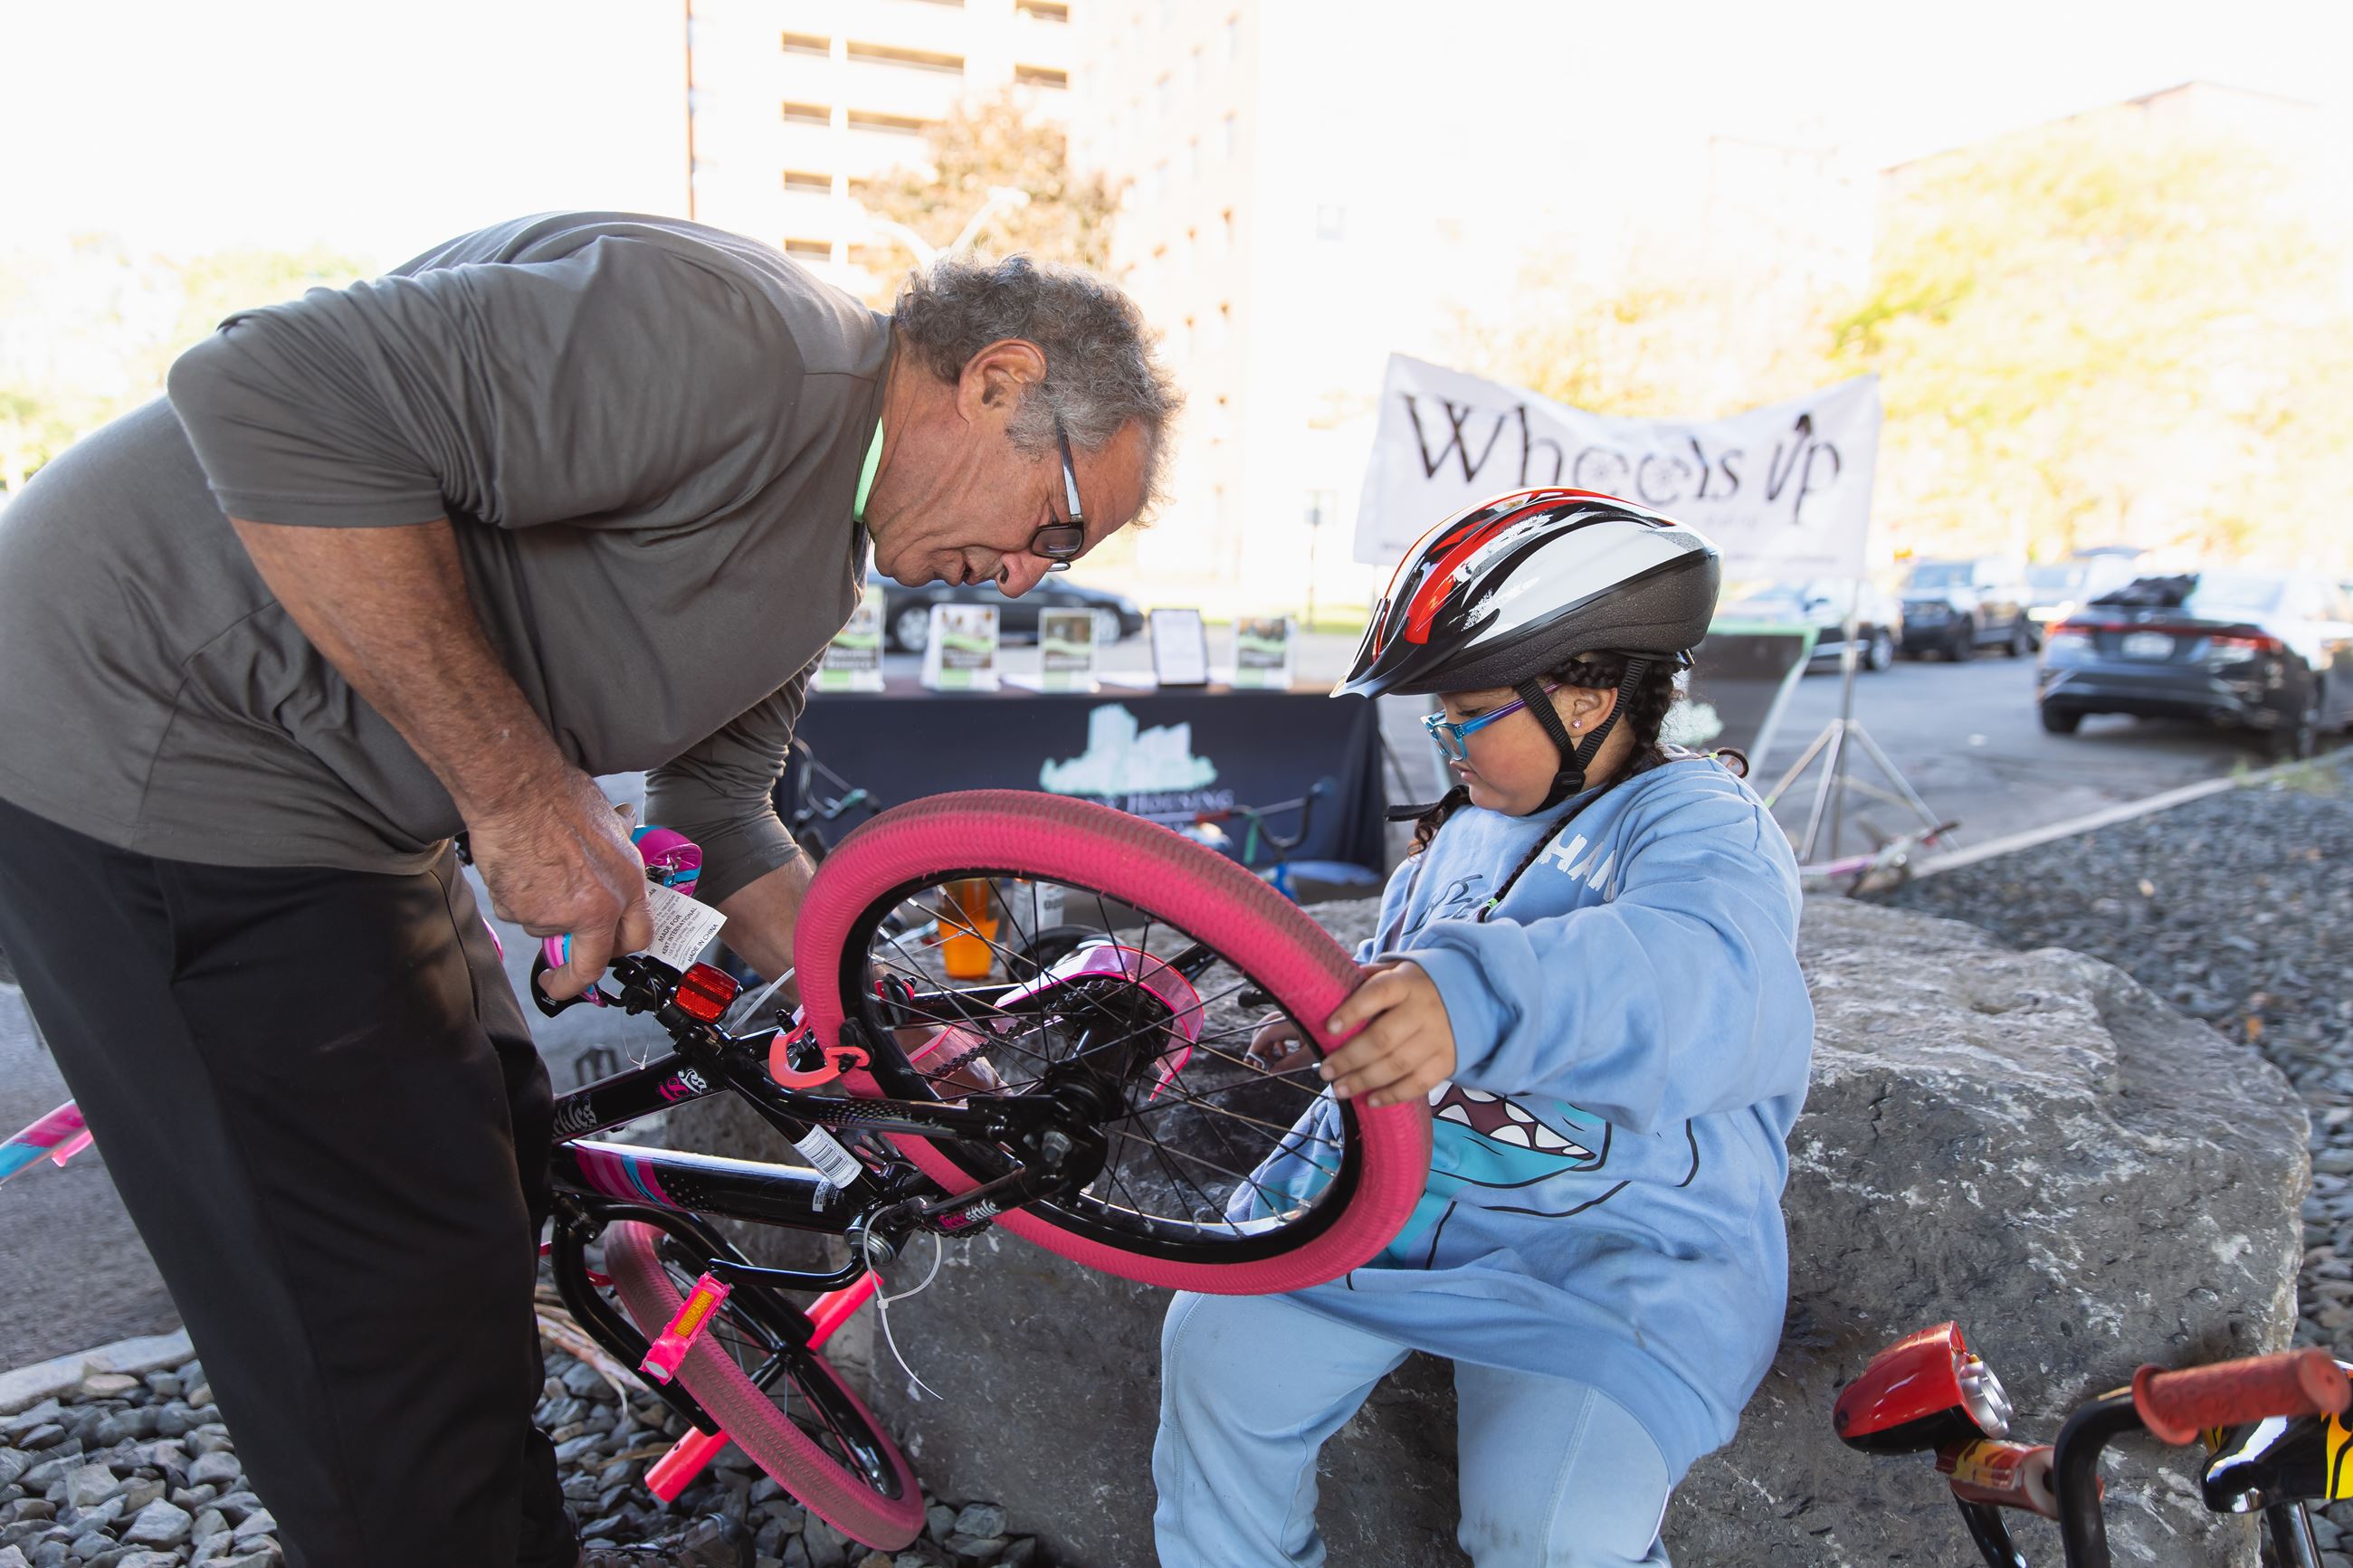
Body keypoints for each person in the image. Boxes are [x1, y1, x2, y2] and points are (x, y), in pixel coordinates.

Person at [0, 211, 1176, 1567]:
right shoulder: (749, 346)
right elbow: (267, 383)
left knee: (491, 1164)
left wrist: (892, 1042)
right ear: (999, 379)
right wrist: (519, 796)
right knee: (374, 1293)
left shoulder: (820, 563)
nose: (1031, 577)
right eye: (1056, 522)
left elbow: (719, 818)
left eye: (1065, 563)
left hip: (346, 814)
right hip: (158, 756)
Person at [1152, 489, 1815, 1567]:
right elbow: (1413, 978)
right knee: (1215, 1350)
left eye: (1464, 713)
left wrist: (1468, 1002)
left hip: (1604, 1257)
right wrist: (1353, 1023)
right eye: (1434, 719)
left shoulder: (1695, 821)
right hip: (1377, 1218)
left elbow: (1706, 972)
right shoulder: (1460, 833)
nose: (1442, 740)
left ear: (1590, 693)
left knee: (1553, 1527)